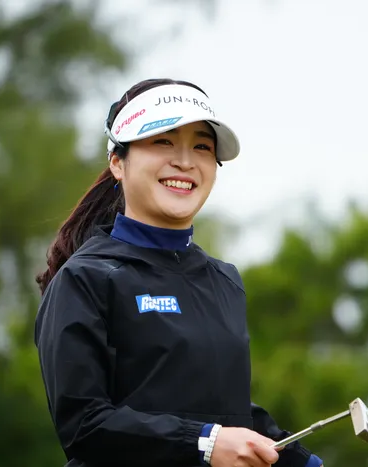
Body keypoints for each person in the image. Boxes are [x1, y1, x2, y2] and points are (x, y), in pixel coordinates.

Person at [34, 78, 324, 467]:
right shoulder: (86, 277)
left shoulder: (225, 281)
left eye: (202, 147)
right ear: (118, 162)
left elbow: (224, 412)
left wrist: (299, 460)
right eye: (163, 141)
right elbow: (84, 426)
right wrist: (204, 442)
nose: (185, 162)